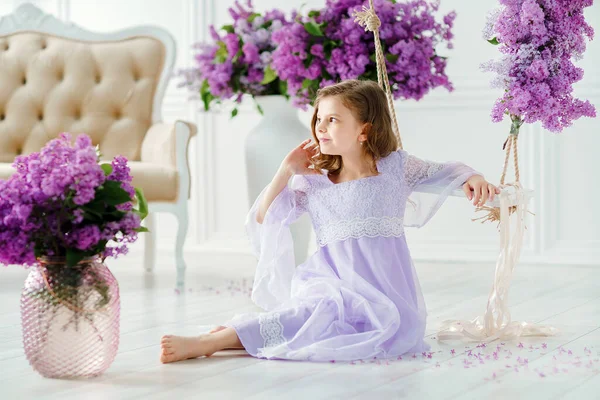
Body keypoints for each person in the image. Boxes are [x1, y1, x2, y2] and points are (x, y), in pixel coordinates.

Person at [160, 79, 499, 363]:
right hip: (329, 284)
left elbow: (447, 171)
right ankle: (210, 343)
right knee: (313, 315)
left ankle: (239, 335)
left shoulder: (396, 167)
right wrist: (285, 170)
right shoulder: (314, 180)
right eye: (319, 119)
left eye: (333, 120)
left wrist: (474, 177)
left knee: (331, 329)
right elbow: (264, 218)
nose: (320, 127)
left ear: (364, 130)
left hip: (387, 297)